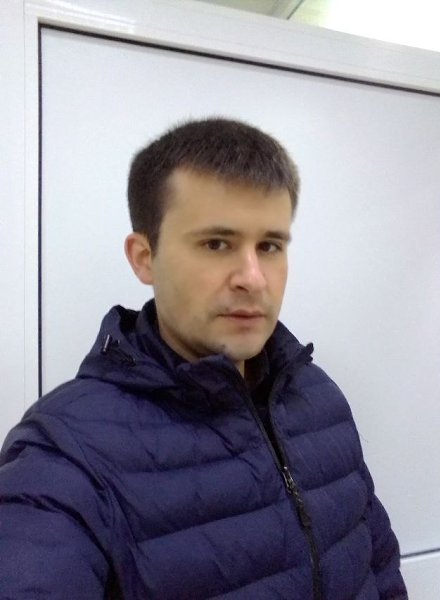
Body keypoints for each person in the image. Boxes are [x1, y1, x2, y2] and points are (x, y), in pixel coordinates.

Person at [0, 118, 407, 599]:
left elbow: (380, 572)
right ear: (144, 257)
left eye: (269, 246)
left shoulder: (318, 400)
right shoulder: (65, 452)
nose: (253, 278)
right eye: (217, 244)